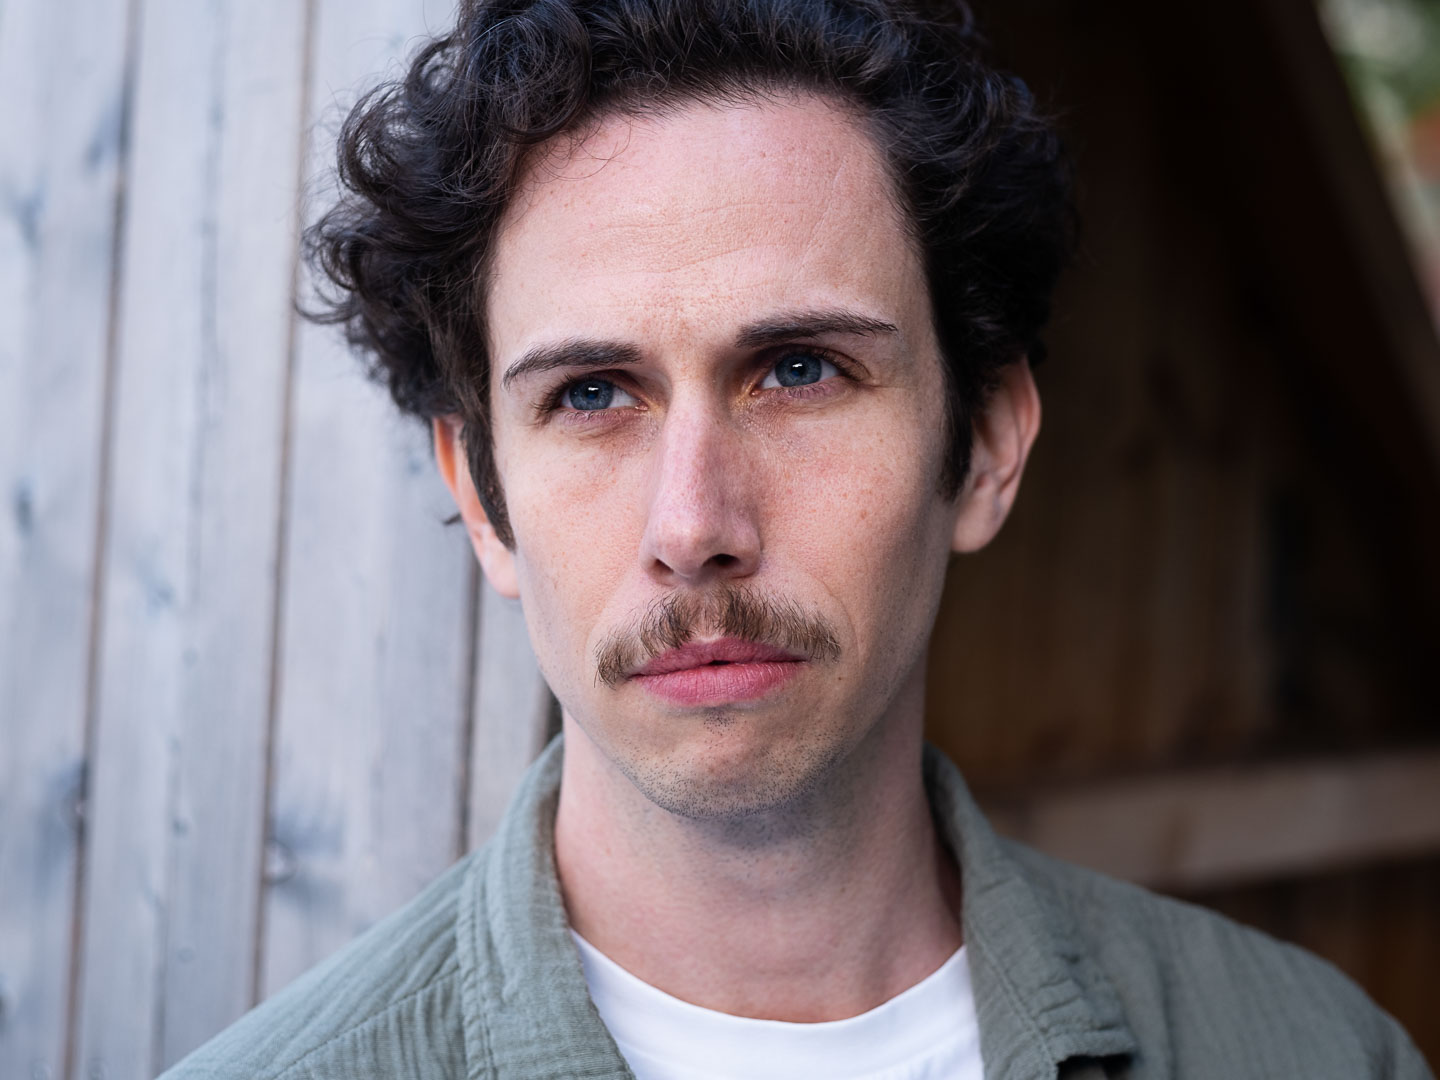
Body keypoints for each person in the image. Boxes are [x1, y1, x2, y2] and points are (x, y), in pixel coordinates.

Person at [161, 0, 1432, 1077]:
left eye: (800, 370)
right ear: (483, 499)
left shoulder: (1316, 1051)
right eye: (592, 394)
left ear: (987, 444)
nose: (693, 527)